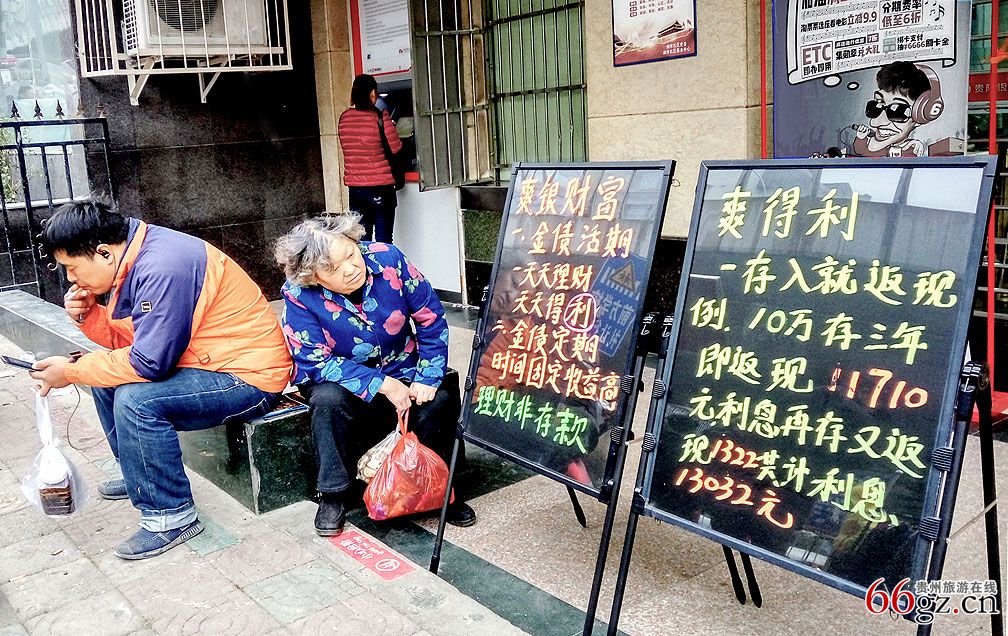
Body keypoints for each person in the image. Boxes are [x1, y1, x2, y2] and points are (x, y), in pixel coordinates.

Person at [28, 196, 292, 559]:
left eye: (72, 267)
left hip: (249, 377)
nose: (71, 279)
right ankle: (139, 475)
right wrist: (89, 317)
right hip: (206, 362)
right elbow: (141, 342)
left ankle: (171, 516)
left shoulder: (162, 266)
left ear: (103, 252)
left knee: (136, 401)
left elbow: (150, 363)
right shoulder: (137, 255)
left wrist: (71, 371)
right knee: (107, 377)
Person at [273, 214, 476, 536]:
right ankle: (334, 494)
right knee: (327, 401)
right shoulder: (299, 293)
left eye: (350, 255)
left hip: (401, 364)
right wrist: (381, 384)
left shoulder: (388, 259)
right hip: (343, 379)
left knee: (440, 399)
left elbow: (430, 318)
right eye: (332, 269)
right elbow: (313, 359)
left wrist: (427, 375)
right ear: (313, 276)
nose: (350, 269)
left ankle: (443, 488)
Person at [338, 74, 402, 243]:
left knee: (362, 239)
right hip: (381, 187)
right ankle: (383, 262)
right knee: (383, 240)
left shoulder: (344, 118)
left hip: (356, 190)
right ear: (372, 93)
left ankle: (365, 262)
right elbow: (396, 148)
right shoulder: (380, 117)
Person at [851, 61, 944, 158]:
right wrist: (861, 138)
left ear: (922, 114)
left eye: (897, 111)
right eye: (875, 106)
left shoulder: (911, 149)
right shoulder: (873, 142)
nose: (874, 123)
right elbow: (863, 152)